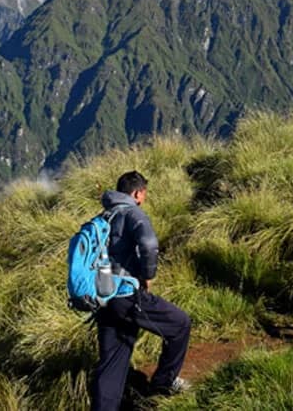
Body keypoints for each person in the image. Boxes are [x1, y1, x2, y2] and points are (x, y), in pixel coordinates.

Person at [90, 170, 191, 409]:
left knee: (112, 361)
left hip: (103, 294)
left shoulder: (104, 215)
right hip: (127, 294)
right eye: (144, 193)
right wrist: (148, 276)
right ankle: (162, 383)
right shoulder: (134, 214)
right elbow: (149, 244)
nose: (144, 198)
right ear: (137, 193)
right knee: (180, 324)